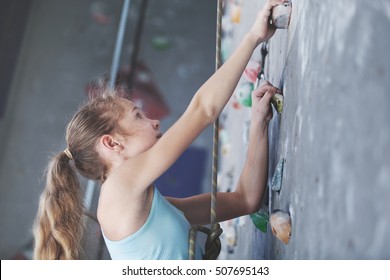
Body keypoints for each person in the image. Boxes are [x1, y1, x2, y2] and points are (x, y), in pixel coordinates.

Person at [33, 0, 285, 260]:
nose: (154, 122)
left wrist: (259, 122)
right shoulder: (118, 189)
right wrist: (254, 36)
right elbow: (203, 110)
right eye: (138, 116)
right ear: (112, 144)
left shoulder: (151, 208)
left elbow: (244, 200)